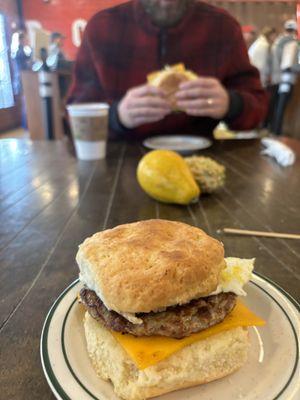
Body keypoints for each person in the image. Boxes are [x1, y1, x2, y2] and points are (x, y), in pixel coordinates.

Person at [68, 0, 268, 140]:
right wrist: (117, 116)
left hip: (202, 158)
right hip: (118, 162)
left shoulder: (223, 28)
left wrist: (231, 104)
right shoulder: (102, 28)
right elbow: (76, 118)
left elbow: (258, 107)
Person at [269, 19, 299, 135]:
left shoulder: (278, 41)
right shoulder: (292, 42)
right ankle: (277, 131)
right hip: (287, 78)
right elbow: (291, 64)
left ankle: (273, 130)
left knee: (276, 104)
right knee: (281, 105)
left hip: (277, 78)